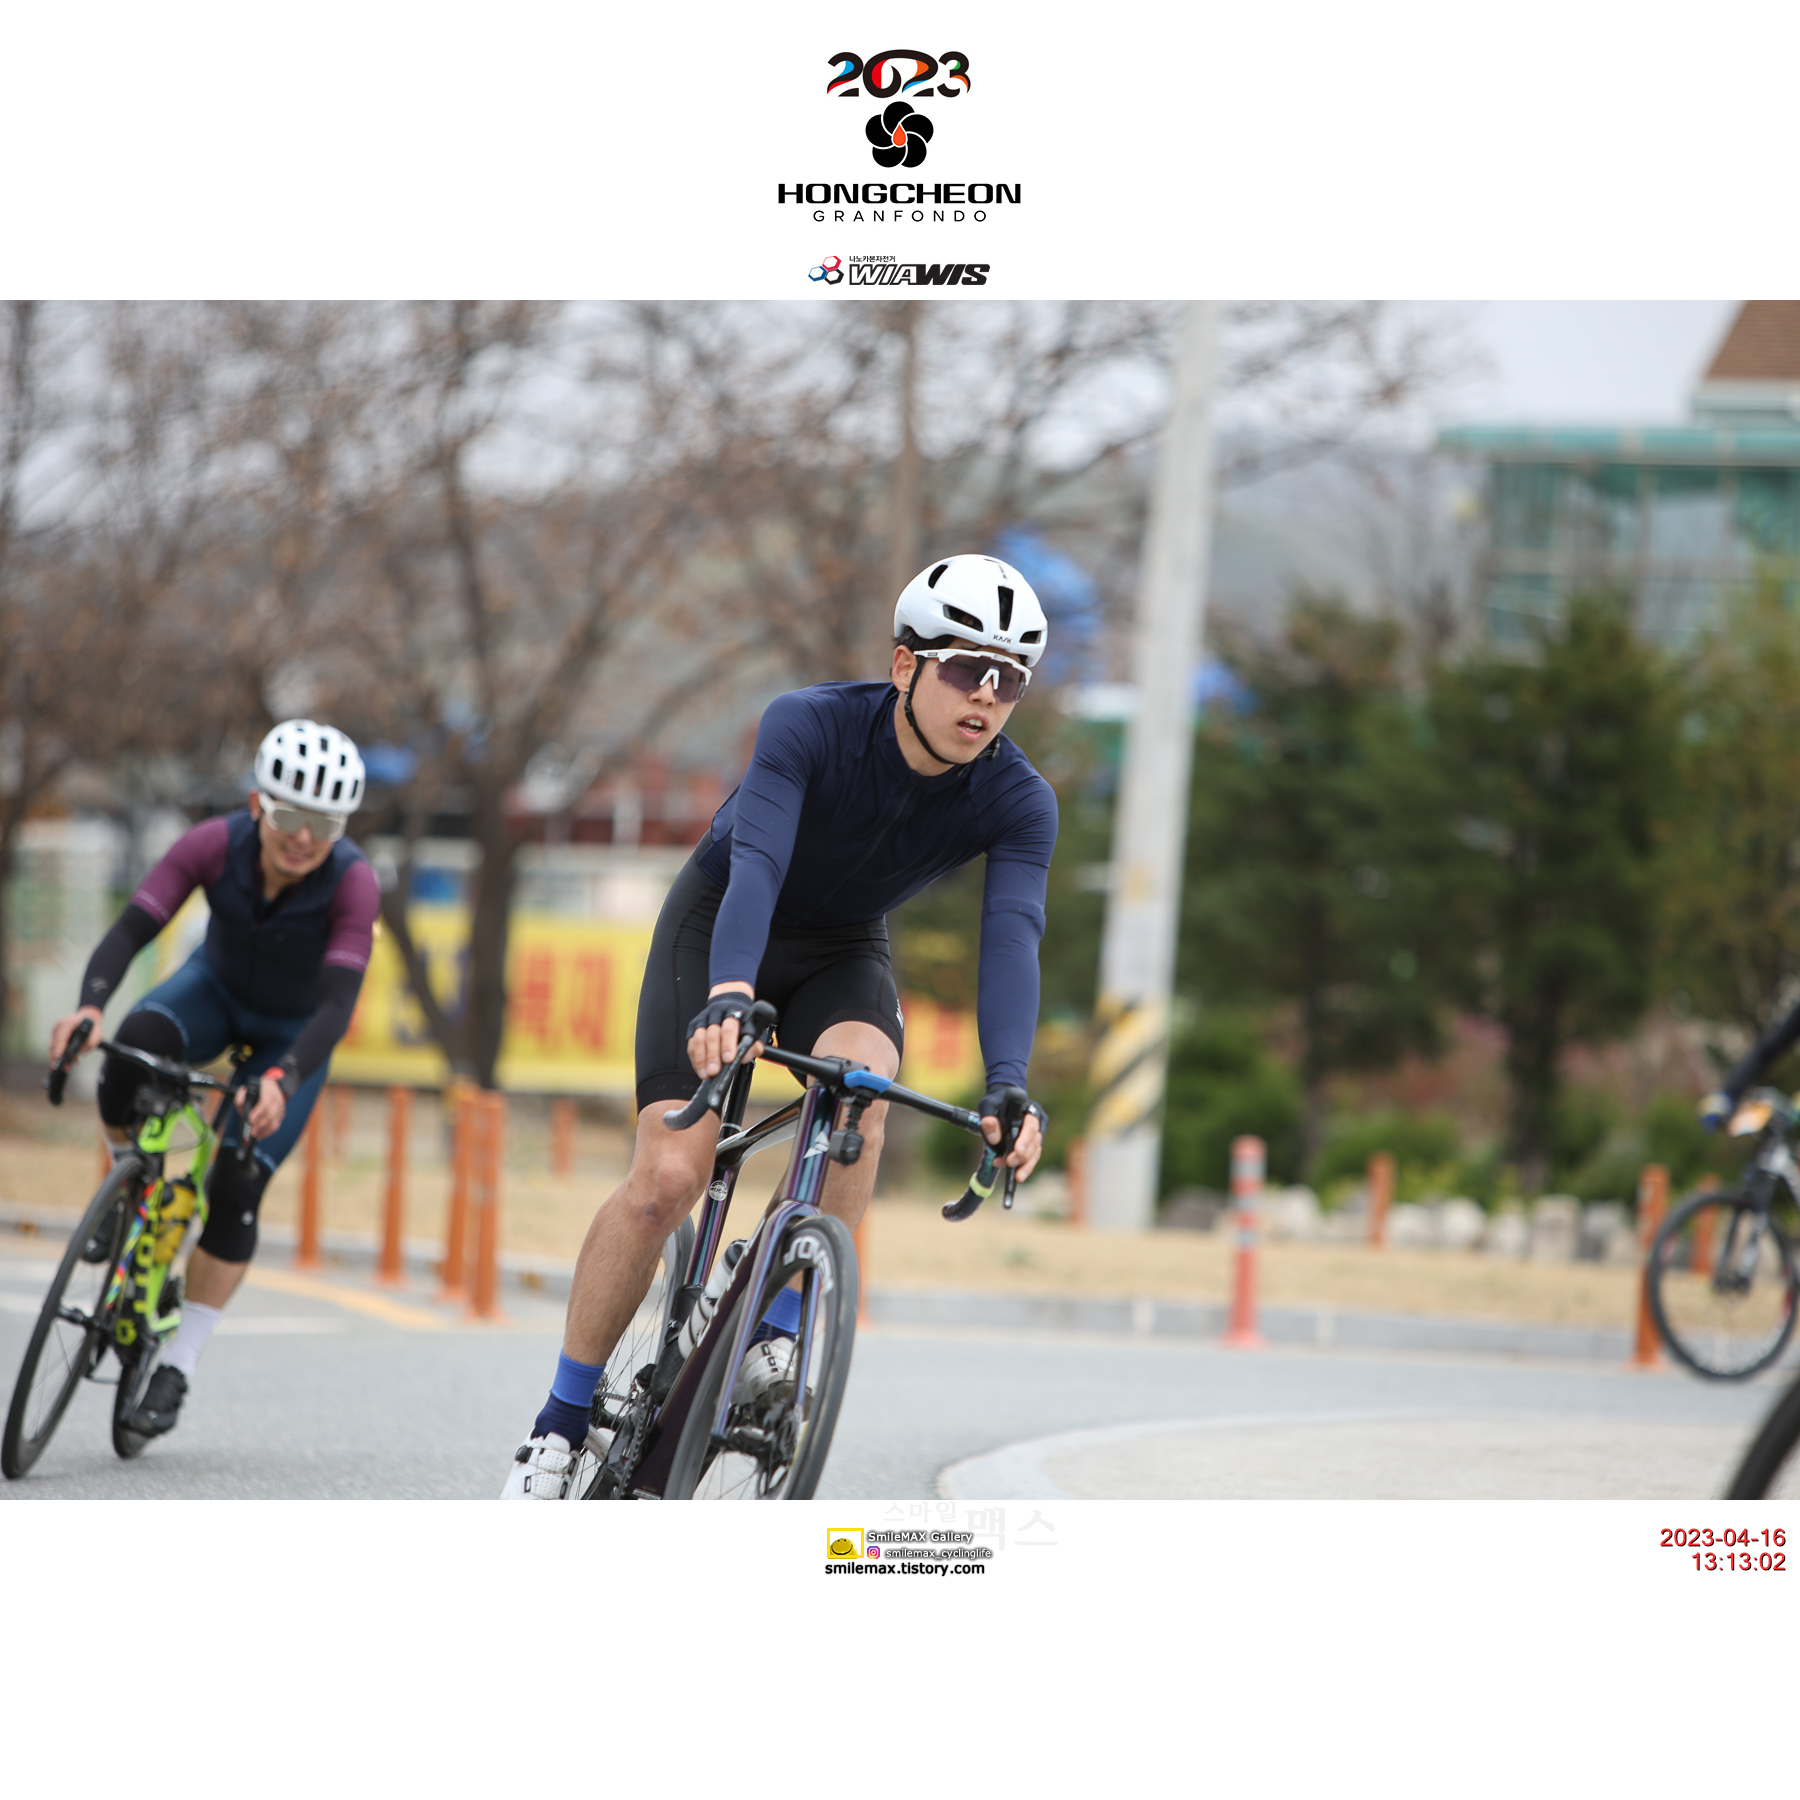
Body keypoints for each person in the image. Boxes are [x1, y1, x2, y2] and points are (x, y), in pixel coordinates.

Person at [504, 554, 1058, 1497]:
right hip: (721, 925)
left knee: (863, 1096)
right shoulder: (809, 723)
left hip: (842, 949)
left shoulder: (1017, 799)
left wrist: (1009, 1081)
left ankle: (774, 1325)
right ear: (905, 664)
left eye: (1010, 681)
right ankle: (556, 1428)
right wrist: (728, 992)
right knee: (669, 1177)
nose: (986, 697)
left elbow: (1011, 936)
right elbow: (756, 865)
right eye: (968, 668)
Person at [47, 719, 377, 1438]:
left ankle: (180, 1362)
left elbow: (335, 1006)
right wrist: (90, 1007)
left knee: (236, 1181)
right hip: (214, 995)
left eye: (323, 824)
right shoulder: (211, 844)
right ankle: (124, 1189)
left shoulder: (353, 882)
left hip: (292, 1036)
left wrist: (283, 1077)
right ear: (258, 805)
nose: (303, 837)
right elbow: (132, 928)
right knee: (131, 1051)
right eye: (288, 816)